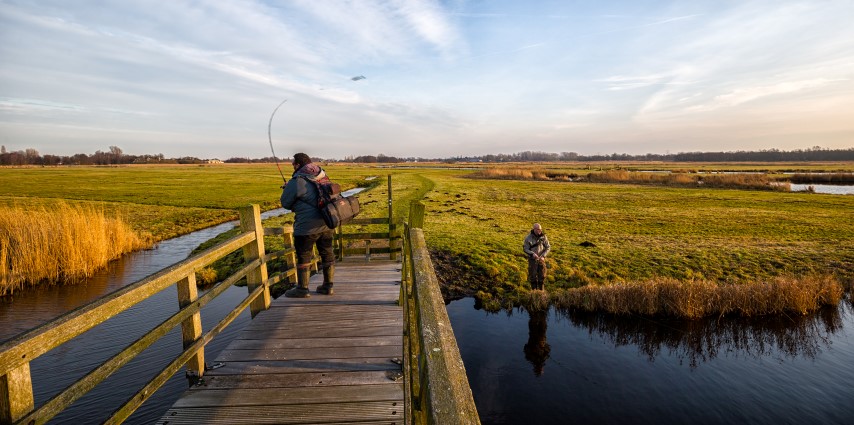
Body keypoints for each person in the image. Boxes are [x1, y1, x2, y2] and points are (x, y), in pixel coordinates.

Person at [280, 153, 335, 297]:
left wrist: (288, 189)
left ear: (298, 164)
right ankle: (328, 287)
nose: (292, 166)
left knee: (304, 256)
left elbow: (285, 203)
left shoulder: (296, 181)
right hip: (327, 222)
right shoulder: (323, 175)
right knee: (327, 254)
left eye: (293, 164)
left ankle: (302, 289)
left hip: (306, 227)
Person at [523, 223, 550, 290]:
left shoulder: (544, 237)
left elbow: (548, 247)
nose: (540, 231)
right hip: (532, 260)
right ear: (534, 229)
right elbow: (525, 249)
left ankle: (541, 292)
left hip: (541, 259)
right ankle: (534, 292)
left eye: (540, 229)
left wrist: (543, 256)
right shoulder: (528, 238)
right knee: (533, 276)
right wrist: (532, 254)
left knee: (542, 276)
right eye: (538, 229)